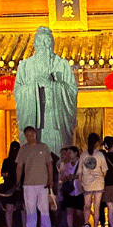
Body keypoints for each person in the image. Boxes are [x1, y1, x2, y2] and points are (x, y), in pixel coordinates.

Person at [13, 26, 78, 157]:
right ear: (34, 44)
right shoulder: (25, 66)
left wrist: (52, 86)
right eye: (40, 41)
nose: (43, 44)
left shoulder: (62, 65)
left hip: (55, 121)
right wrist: (33, 86)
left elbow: (72, 90)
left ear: (52, 43)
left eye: (46, 41)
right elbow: (18, 91)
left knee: (57, 157)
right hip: (34, 121)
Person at [16, 125, 54, 227]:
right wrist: (18, 181)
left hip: (43, 183)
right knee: (30, 207)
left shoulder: (43, 147)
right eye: (27, 135)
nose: (30, 137)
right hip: (28, 184)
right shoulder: (23, 149)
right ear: (25, 136)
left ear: (35, 134)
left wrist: (50, 179)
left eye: (31, 134)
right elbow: (19, 166)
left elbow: (49, 164)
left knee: (44, 206)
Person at [80, 133, 108, 227]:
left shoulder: (83, 155)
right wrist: (100, 177)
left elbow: (80, 171)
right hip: (98, 183)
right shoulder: (100, 155)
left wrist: (81, 182)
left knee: (86, 205)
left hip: (86, 182)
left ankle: (86, 225)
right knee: (97, 206)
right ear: (97, 143)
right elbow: (104, 170)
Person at [0, 141, 23, 227]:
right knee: (22, 210)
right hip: (20, 187)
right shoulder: (21, 161)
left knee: (9, 210)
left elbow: (3, 173)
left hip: (9, 187)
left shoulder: (7, 161)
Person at [61, 146, 84, 227]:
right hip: (69, 190)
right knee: (69, 209)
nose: (68, 155)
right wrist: (66, 177)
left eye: (70, 153)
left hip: (79, 189)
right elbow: (62, 177)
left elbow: (84, 174)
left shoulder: (81, 163)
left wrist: (74, 176)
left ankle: (82, 225)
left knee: (79, 210)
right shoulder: (66, 164)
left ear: (76, 153)